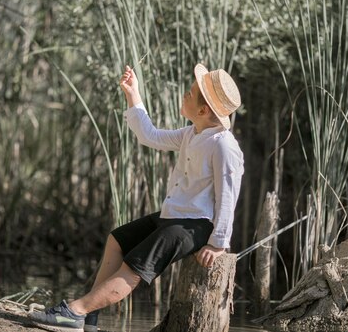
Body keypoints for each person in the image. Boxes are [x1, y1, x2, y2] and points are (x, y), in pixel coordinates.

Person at [29, 63, 244, 332]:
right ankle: (89, 319)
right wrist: (133, 94)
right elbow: (149, 135)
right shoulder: (192, 133)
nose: (184, 96)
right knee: (117, 239)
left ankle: (75, 312)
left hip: (194, 225)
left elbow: (228, 193)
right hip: (174, 215)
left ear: (202, 110)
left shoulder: (223, 145)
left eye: (189, 94)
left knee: (133, 268)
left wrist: (218, 243)